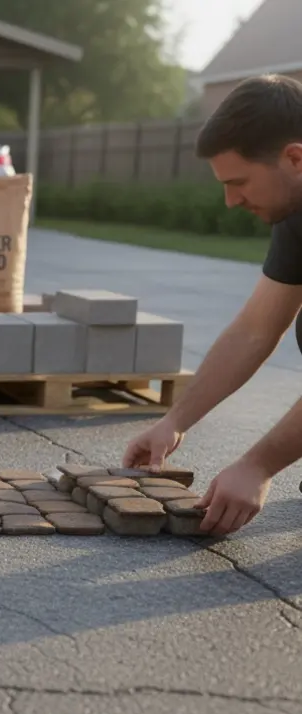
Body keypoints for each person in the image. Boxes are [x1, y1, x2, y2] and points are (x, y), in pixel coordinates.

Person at [122, 73, 302, 537]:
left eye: (239, 181)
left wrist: (258, 465)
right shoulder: (295, 215)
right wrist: (175, 421)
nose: (230, 200)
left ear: (295, 158)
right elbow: (255, 330)